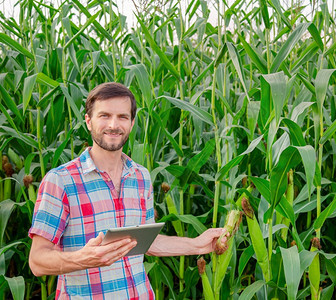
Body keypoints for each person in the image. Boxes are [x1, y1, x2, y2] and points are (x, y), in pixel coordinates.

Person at [28, 82, 226, 299]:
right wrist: (84, 258)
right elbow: (37, 261)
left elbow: (145, 243)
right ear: (88, 121)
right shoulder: (61, 180)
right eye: (104, 115)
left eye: (122, 117)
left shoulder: (140, 177)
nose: (114, 125)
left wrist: (198, 244)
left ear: (132, 124)